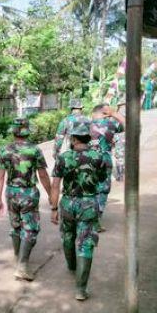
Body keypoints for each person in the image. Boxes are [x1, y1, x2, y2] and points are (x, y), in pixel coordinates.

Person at [50, 119, 108, 301]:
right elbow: (101, 179)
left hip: (68, 202)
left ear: (74, 138)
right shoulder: (98, 157)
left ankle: (72, 266)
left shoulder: (63, 157)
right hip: (88, 204)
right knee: (85, 243)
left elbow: (55, 185)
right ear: (87, 138)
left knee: (68, 236)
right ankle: (81, 290)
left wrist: (53, 208)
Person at [0, 118, 52, 281]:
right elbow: (43, 175)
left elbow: (0, 177)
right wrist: (51, 194)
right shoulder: (35, 150)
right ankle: (22, 266)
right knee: (30, 229)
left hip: (11, 193)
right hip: (28, 193)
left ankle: (18, 256)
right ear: (28, 131)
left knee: (16, 226)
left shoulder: (5, 150)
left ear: (13, 132)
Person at [90, 104, 125, 224]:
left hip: (86, 159)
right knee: (103, 189)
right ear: (105, 113)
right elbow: (129, 125)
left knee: (87, 188)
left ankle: (86, 218)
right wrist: (114, 113)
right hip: (104, 160)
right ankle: (97, 219)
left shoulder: (84, 124)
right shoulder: (110, 124)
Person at [113, 101, 126, 182]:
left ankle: (120, 176)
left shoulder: (117, 115)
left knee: (120, 157)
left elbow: (114, 128)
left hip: (119, 137)